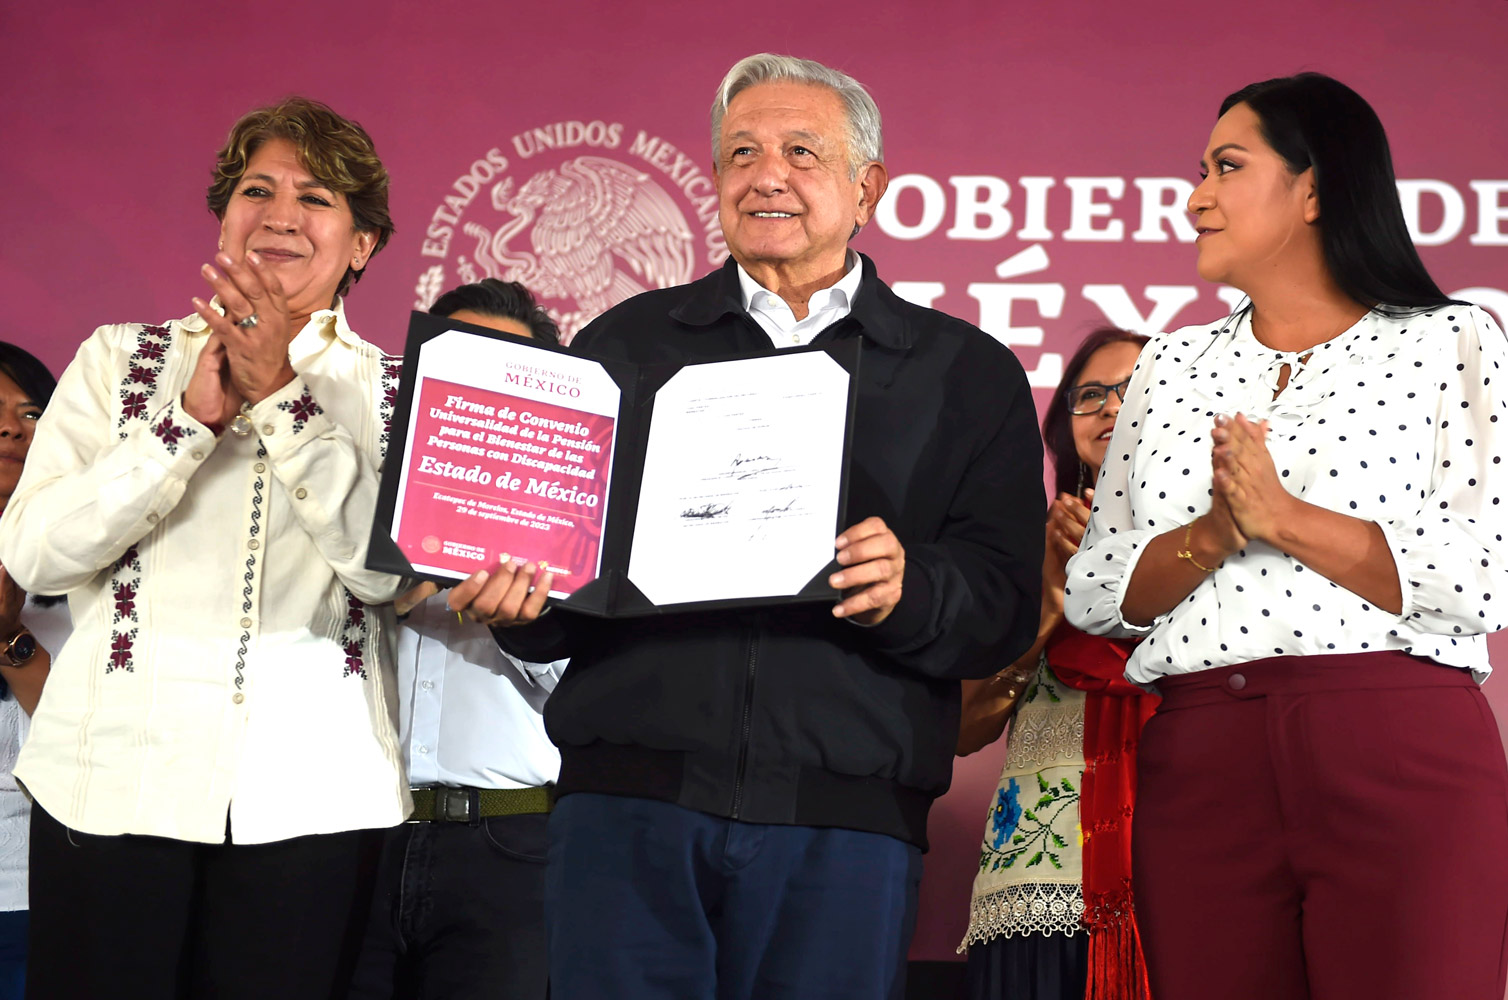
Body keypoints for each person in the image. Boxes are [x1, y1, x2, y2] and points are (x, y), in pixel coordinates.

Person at [448, 53, 1044, 1000]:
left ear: (867, 189)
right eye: (740, 153)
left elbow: (1005, 603)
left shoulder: (965, 373)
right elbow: (566, 596)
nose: (766, 174)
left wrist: (912, 584)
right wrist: (521, 605)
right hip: (625, 805)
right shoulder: (625, 345)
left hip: (846, 817)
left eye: (802, 151)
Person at [1065, 73, 1508, 1000]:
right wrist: (1217, 533)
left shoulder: (1453, 340)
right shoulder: (1171, 365)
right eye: (1199, 171)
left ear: (1315, 187)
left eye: (1229, 167)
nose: (1196, 198)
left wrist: (1285, 520)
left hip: (1395, 741)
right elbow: (1100, 589)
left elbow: (1482, 577)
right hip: (1202, 758)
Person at [0, 97, 409, 999]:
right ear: (224, 218)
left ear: (363, 244)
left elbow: (386, 573)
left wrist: (283, 405)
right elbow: (34, 554)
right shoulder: (119, 362)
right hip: (109, 786)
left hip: (313, 800)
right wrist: (181, 427)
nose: (281, 215)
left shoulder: (395, 390)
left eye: (317, 199)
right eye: (256, 190)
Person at [349, 279, 566, 1000]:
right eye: (459, 363)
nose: (481, 392)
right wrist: (381, 591)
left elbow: (592, 693)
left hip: (508, 852)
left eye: (506, 371)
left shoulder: (576, 528)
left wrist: (525, 625)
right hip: (351, 838)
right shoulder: (344, 497)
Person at [956, 327, 1154, 1000]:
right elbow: (963, 727)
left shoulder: (1233, 549)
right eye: (1089, 394)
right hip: (1045, 876)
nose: (1107, 406)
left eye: (1131, 390)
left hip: (1189, 858)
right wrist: (1048, 592)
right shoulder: (1018, 549)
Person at [0, 344, 68, 996]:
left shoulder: (89, 572)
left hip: (35, 890)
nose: (10, 428)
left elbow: (87, 743)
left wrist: (9, 640)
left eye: (30, 411)